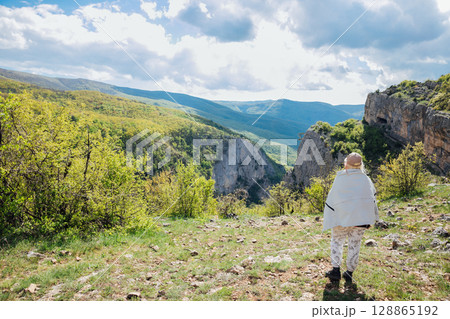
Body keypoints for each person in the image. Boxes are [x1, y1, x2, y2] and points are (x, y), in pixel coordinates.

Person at [323, 152, 379, 283]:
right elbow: (372, 199)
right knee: (355, 245)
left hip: (341, 219)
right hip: (360, 219)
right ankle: (349, 273)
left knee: (337, 242)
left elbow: (333, 198)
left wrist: (333, 215)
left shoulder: (340, 178)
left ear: (346, 164)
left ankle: (335, 270)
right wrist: (370, 216)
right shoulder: (366, 179)